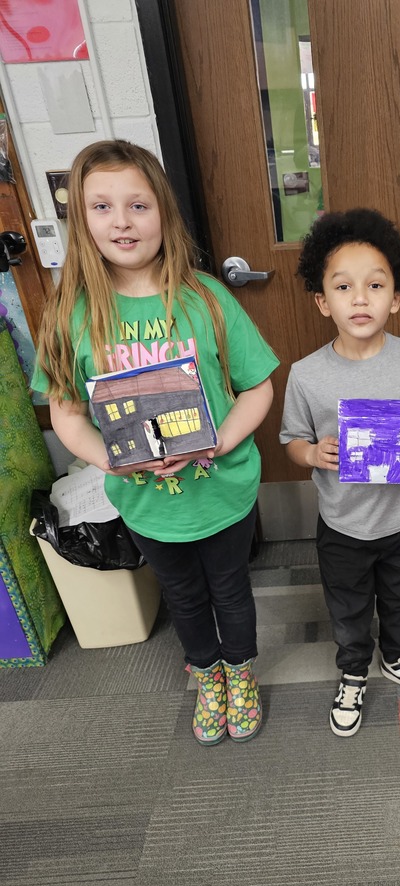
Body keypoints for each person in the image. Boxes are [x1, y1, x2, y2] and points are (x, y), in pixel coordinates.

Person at [33, 140, 279, 747]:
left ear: (163, 214)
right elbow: (65, 415)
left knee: (231, 590)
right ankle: (208, 675)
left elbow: (259, 389)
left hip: (221, 489)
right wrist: (114, 456)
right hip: (146, 502)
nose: (122, 220)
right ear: (81, 221)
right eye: (102, 206)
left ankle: (240, 672)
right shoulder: (72, 315)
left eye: (138, 204)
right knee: (183, 596)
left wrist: (218, 443)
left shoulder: (207, 299)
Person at [280, 208, 400, 736]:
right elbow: (291, 440)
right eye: (343, 287)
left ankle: (396, 658)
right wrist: (313, 455)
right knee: (348, 607)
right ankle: (353, 669)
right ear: (321, 300)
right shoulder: (306, 375)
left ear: (396, 298)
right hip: (343, 526)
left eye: (375, 285)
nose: (360, 298)